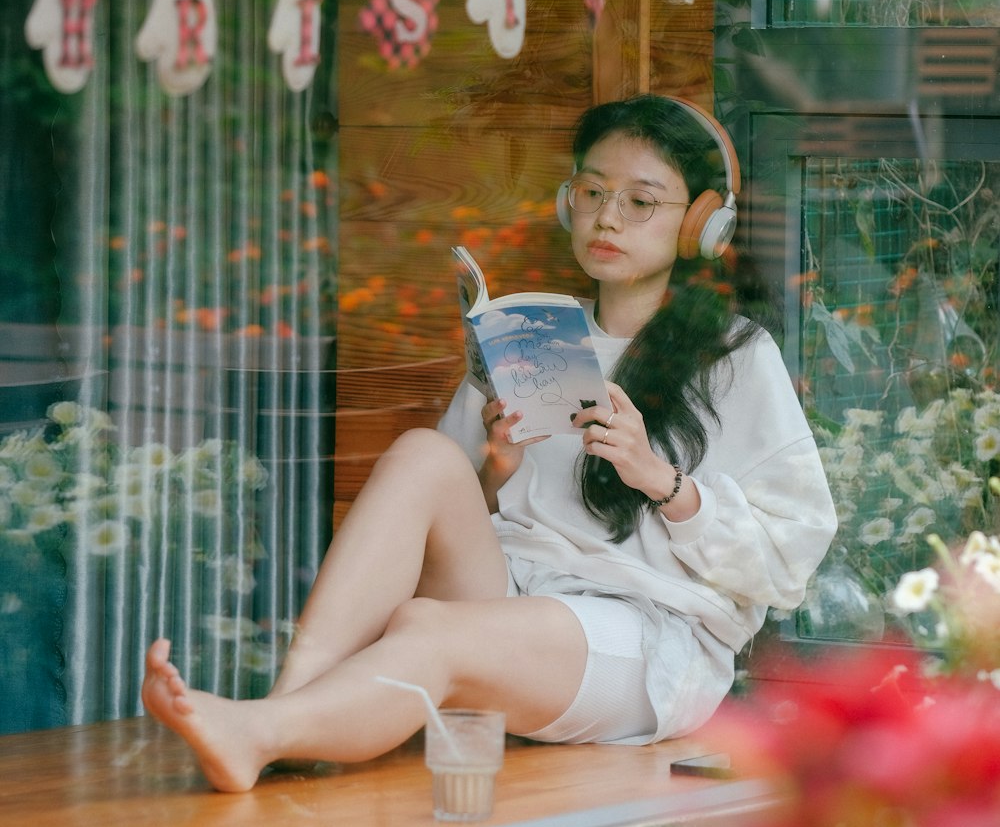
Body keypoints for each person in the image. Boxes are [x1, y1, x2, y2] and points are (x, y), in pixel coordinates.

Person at [142, 95, 836, 791]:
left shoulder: (737, 357)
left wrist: (662, 479)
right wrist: (495, 472)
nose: (607, 217)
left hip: (645, 632)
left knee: (427, 630)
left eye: (639, 202)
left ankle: (260, 733)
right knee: (425, 455)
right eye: (592, 192)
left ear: (699, 224)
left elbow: (789, 563)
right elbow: (449, 514)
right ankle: (287, 711)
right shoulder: (538, 332)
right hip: (515, 591)